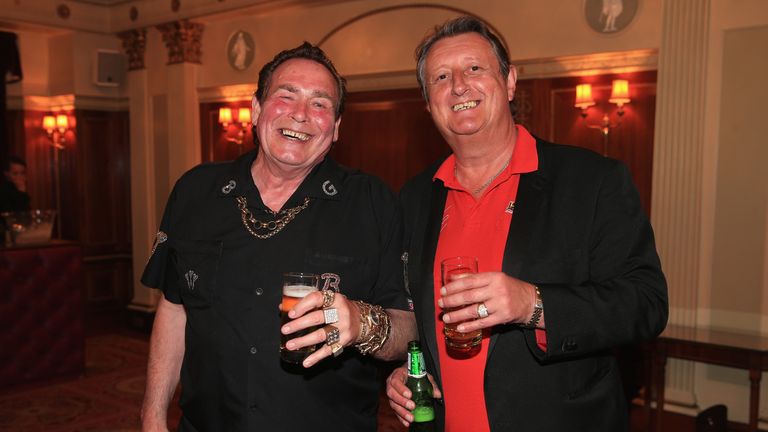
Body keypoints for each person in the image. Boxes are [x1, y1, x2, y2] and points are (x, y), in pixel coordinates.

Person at [386, 16, 668, 431]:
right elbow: (415, 315)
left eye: (475, 68)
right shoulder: (414, 197)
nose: (459, 85)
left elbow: (645, 304)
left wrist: (533, 305)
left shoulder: (591, 181)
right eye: (441, 77)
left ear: (511, 81)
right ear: (429, 103)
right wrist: (407, 371)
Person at [140, 42, 416, 431]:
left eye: (320, 104)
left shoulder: (375, 204)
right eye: (286, 96)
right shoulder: (194, 191)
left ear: (336, 128)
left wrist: (362, 322)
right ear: (255, 109)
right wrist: (152, 416)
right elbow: (174, 309)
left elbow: (409, 327)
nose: (301, 114)